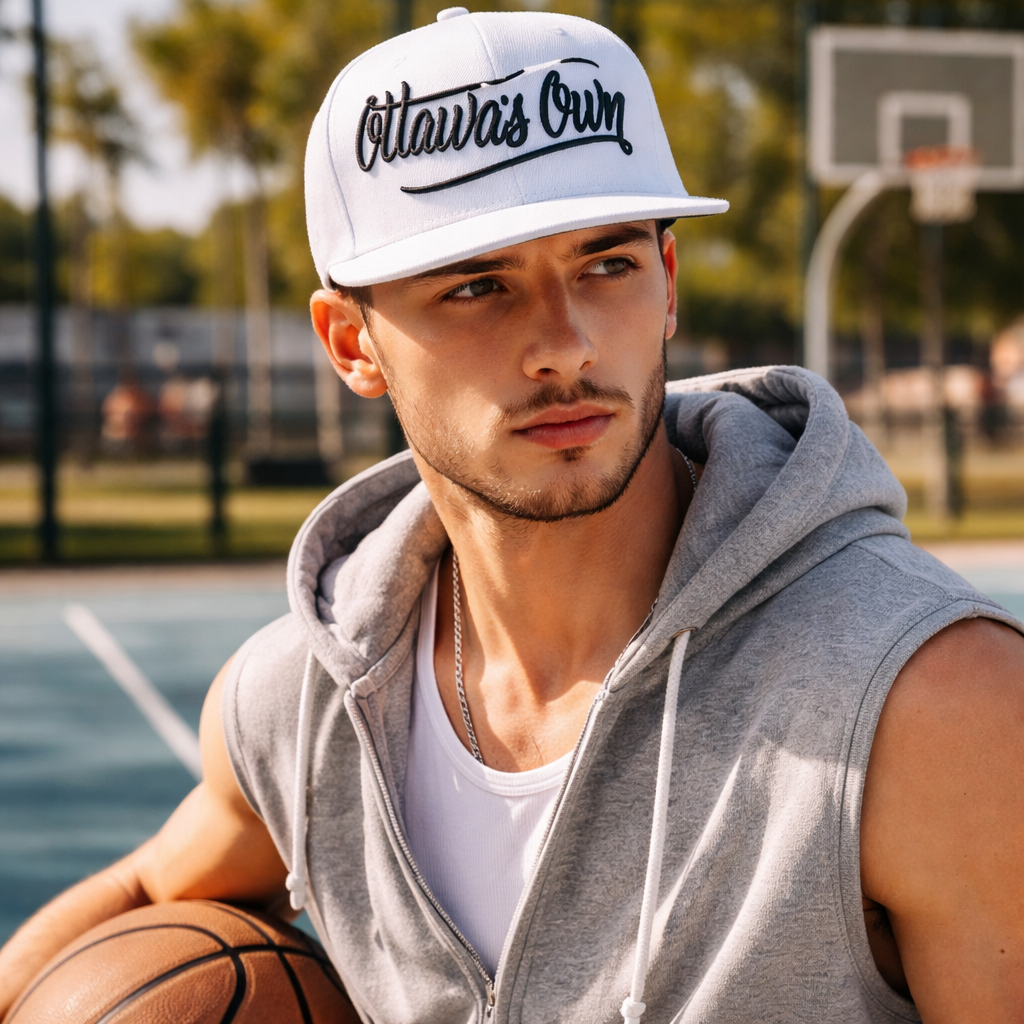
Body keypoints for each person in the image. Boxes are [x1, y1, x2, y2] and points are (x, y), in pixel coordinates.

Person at [1, 10, 1021, 1023]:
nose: (564, 344)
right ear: (351, 342)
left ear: (666, 284)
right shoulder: (306, 705)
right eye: (479, 285)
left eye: (605, 264)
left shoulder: (929, 704)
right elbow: (147, 898)